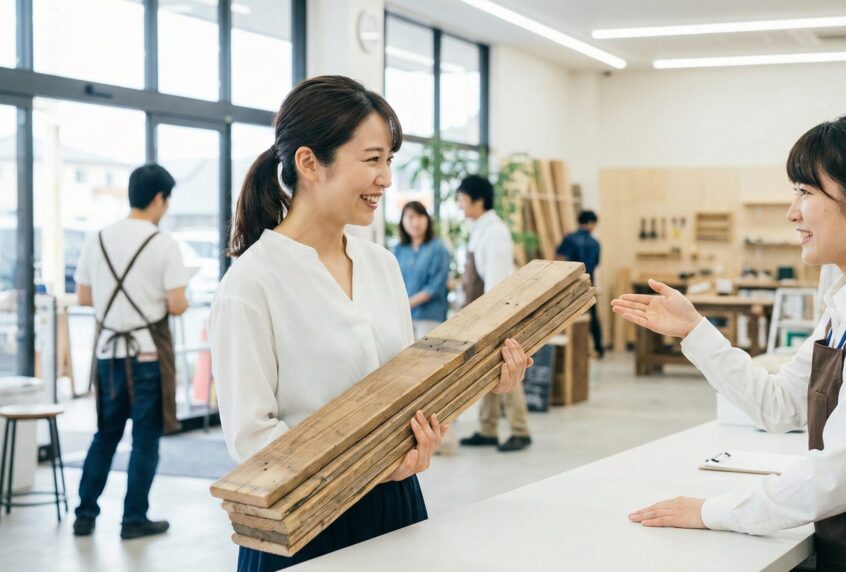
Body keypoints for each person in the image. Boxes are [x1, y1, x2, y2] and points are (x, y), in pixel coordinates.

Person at [613, 112, 846, 571]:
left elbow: (838, 477)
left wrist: (713, 512)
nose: (793, 212)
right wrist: (694, 332)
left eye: (806, 193)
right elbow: (777, 405)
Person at [208, 76, 532, 572]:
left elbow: (405, 386)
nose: (386, 179)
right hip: (303, 524)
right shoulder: (251, 285)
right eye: (372, 160)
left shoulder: (381, 265)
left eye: (388, 162)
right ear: (310, 163)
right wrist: (368, 467)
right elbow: (254, 442)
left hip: (395, 507)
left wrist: (485, 378)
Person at [72, 163, 190, 540]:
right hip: (146, 356)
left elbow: (84, 297)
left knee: (105, 435)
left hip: (108, 356)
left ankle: (85, 515)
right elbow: (176, 304)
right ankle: (133, 518)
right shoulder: (162, 243)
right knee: (144, 439)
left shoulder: (98, 239)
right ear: (159, 198)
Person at [456, 175, 533, 453]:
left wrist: (491, 319)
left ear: (478, 201)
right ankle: (488, 429)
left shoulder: (495, 231)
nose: (460, 206)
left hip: (496, 313)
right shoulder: (479, 228)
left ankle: (520, 430)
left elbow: (497, 281)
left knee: (508, 370)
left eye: (463, 200)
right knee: (488, 371)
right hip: (480, 312)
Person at [392, 201, 451, 340]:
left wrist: (408, 303)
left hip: (430, 317)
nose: (415, 222)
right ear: (402, 222)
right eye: (410, 217)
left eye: (420, 216)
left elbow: (435, 286)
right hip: (403, 317)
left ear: (427, 219)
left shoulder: (438, 248)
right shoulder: (398, 250)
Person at [556, 210, 604, 358]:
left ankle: (568, 350)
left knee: (565, 315)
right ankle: (599, 348)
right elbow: (596, 264)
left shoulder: (569, 239)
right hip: (588, 282)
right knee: (592, 316)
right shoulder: (595, 243)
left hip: (570, 282)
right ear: (591, 223)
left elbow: (559, 259)